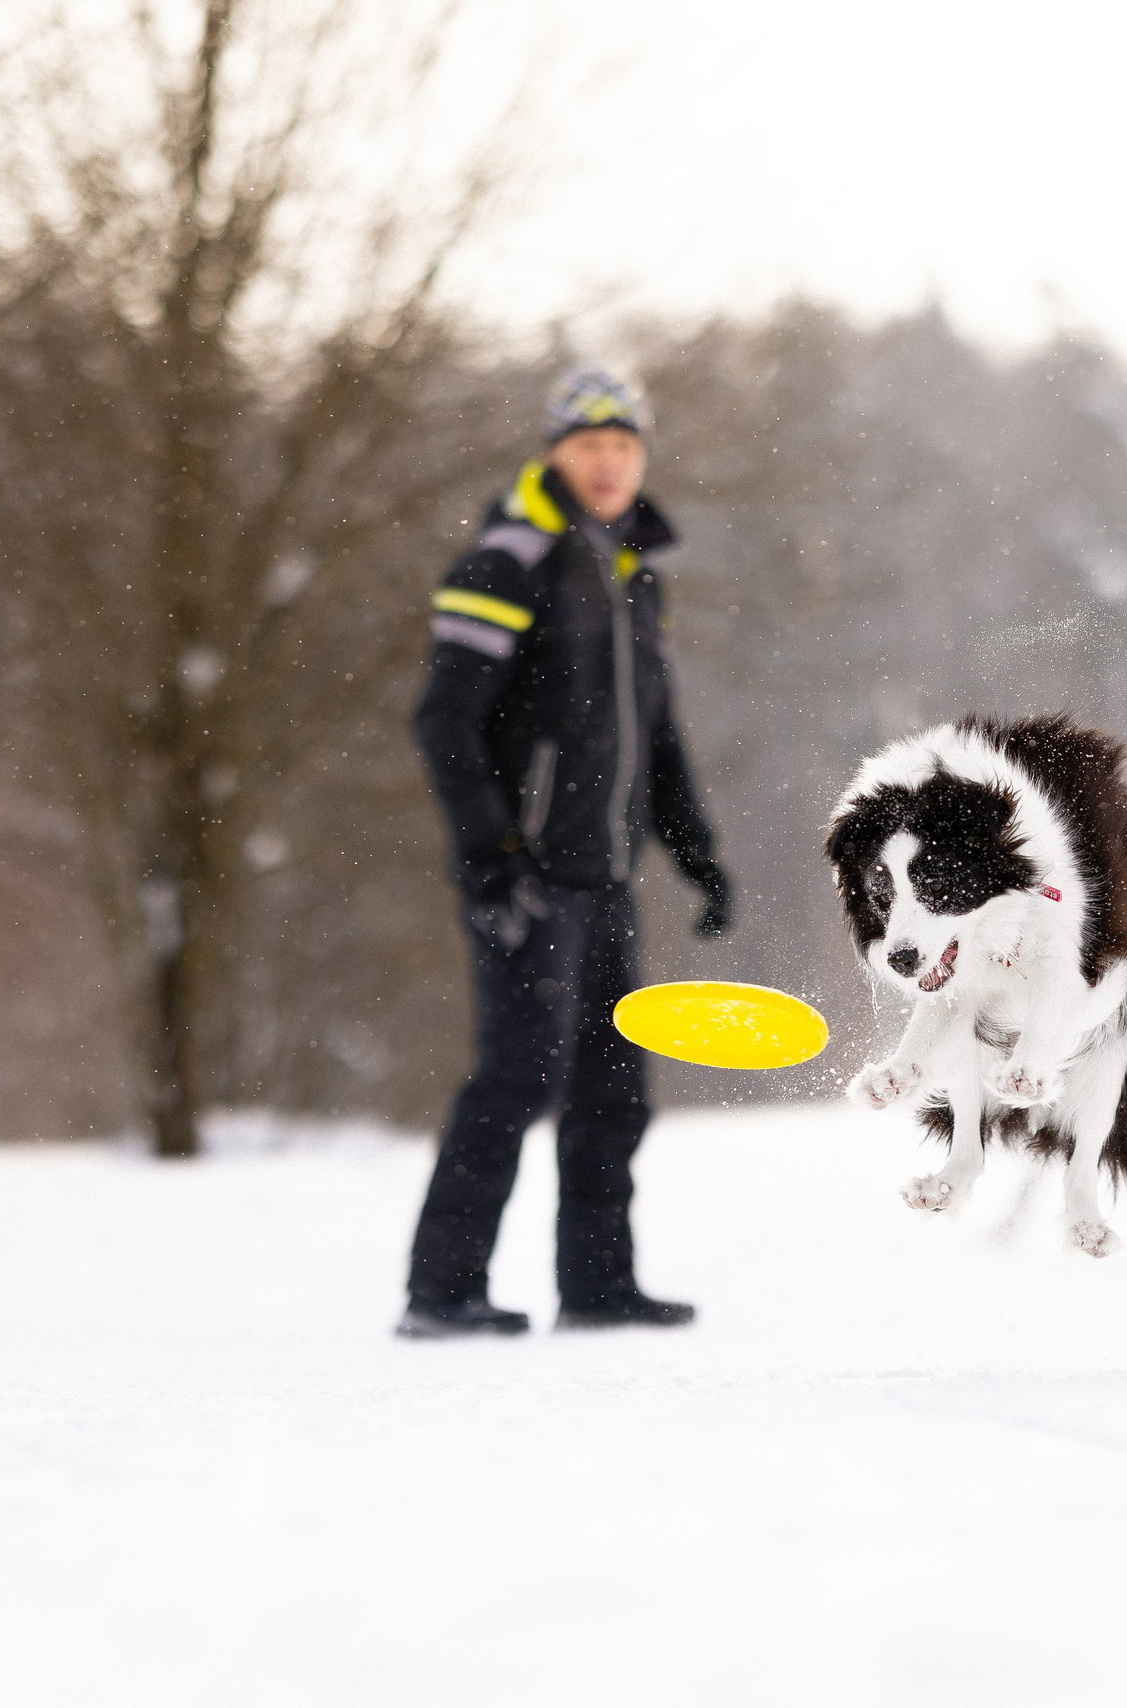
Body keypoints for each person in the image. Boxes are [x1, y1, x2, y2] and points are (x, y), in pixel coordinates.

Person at [398, 365, 731, 1337]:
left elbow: (655, 737)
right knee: (515, 1079)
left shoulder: (634, 575)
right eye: (589, 445)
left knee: (615, 1087)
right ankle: (441, 1290)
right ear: (553, 453)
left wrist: (696, 854)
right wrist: (491, 851)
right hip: (526, 872)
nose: (607, 463)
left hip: (606, 874)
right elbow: (442, 721)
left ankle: (596, 1286)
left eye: (623, 446)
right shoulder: (506, 562)